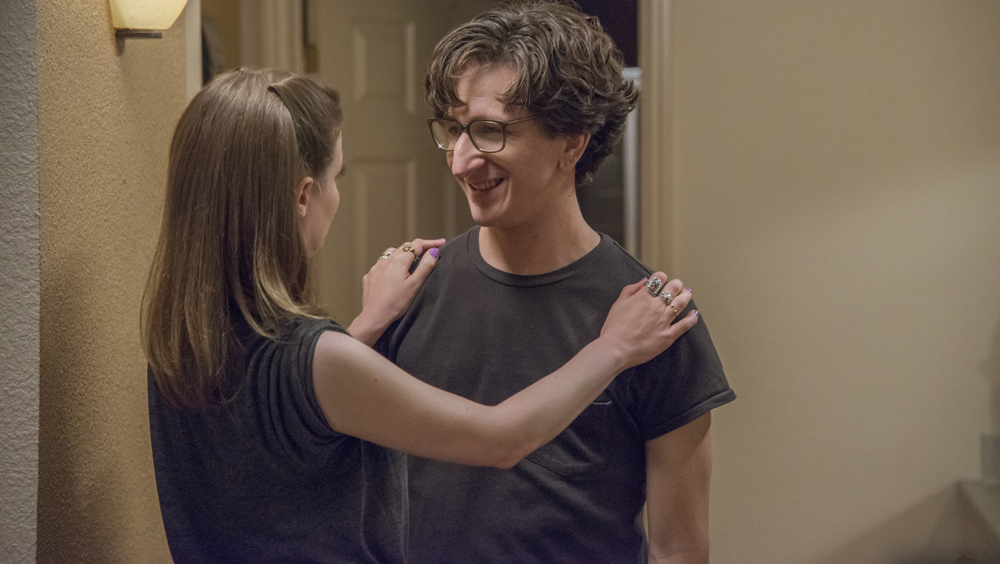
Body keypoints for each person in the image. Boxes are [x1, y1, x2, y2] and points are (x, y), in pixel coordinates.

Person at [141, 68, 697, 564]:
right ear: (304, 195)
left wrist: (364, 328)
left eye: (489, 130)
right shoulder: (318, 359)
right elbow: (501, 439)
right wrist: (613, 347)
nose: (462, 158)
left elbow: (288, 434)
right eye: (338, 177)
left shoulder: (180, 351)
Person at [377, 0, 736, 563]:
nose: (462, 161)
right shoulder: (409, 289)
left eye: (491, 131)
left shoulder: (656, 321)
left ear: (572, 140)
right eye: (455, 130)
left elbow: (679, 550)